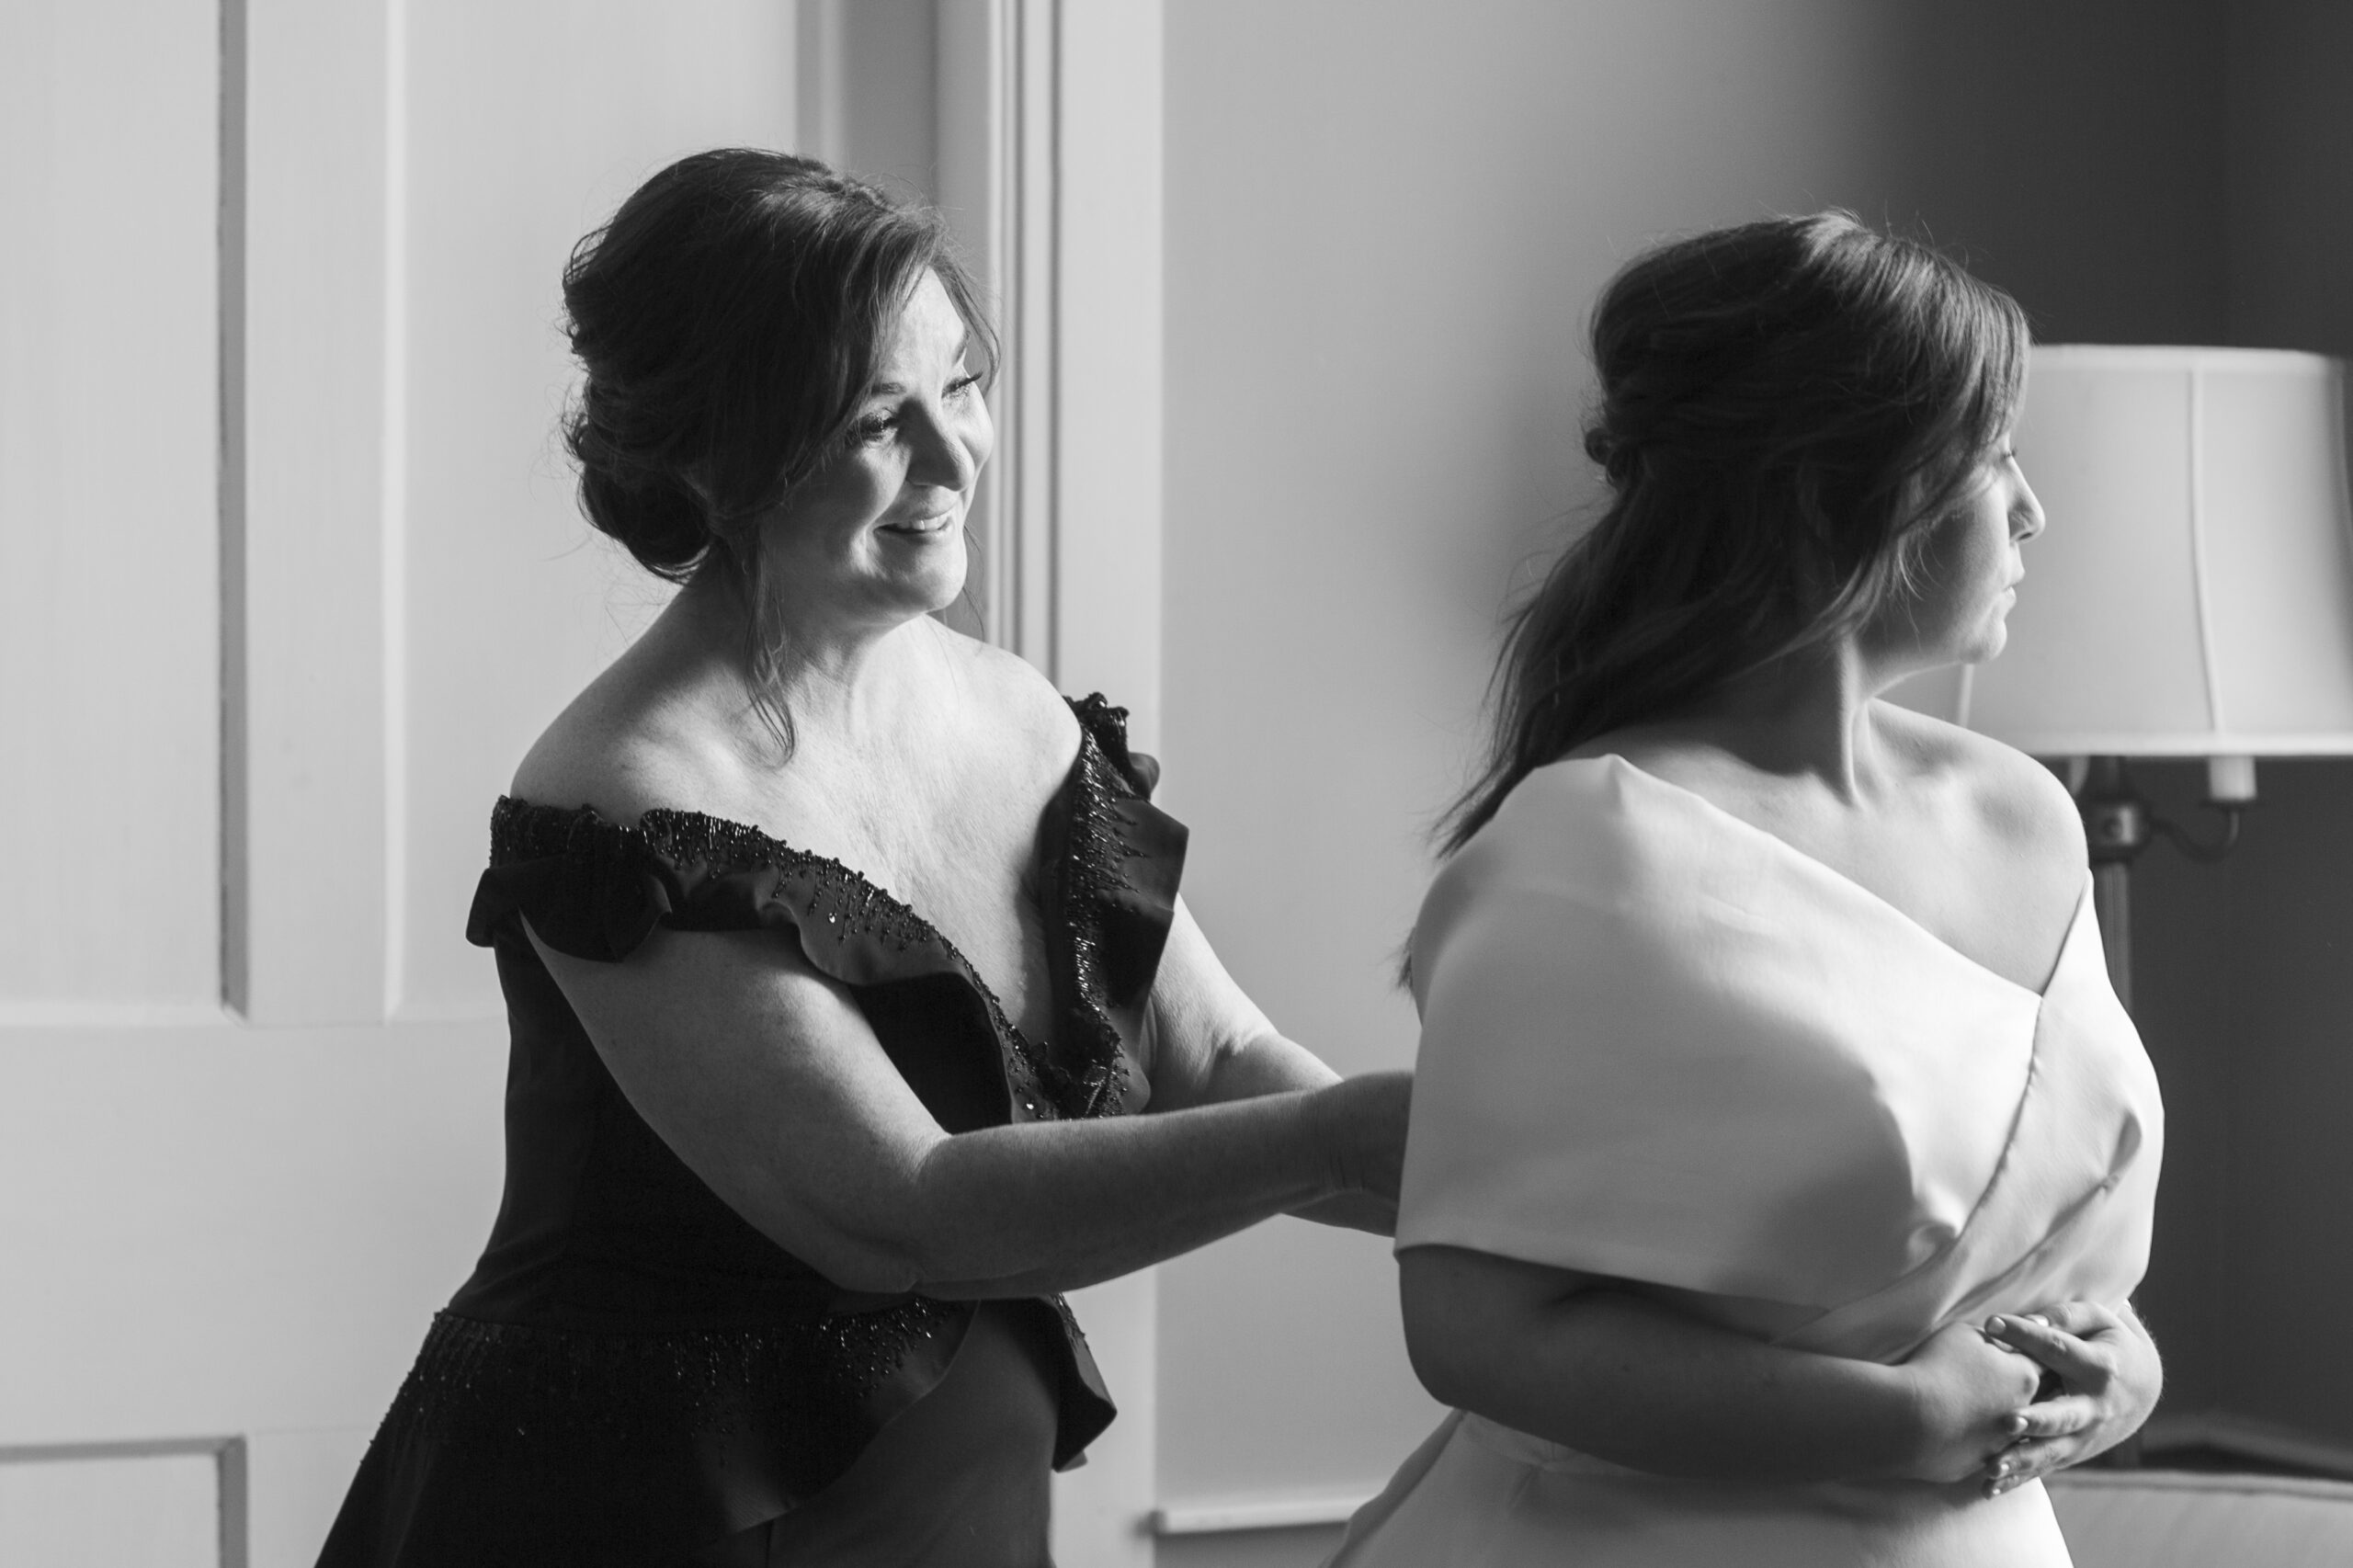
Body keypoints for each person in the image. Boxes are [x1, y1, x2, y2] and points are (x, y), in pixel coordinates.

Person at [315, 149, 1408, 1568]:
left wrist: (1539, 1196)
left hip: (952, 1514)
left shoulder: (1017, 714)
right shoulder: (622, 806)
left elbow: (1225, 1057)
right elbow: (906, 1214)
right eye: (875, 421)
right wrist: (1333, 1144)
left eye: (960, 387)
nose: (954, 462)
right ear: (716, 457)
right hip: (631, 1525)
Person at [1328, 213, 2164, 1567]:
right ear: (1850, 491)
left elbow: (2049, 1247)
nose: (2030, 507)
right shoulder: (1589, 854)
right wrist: (1888, 1420)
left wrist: (2124, 1370)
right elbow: (1475, 1331)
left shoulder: (2028, 815)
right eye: (1991, 455)